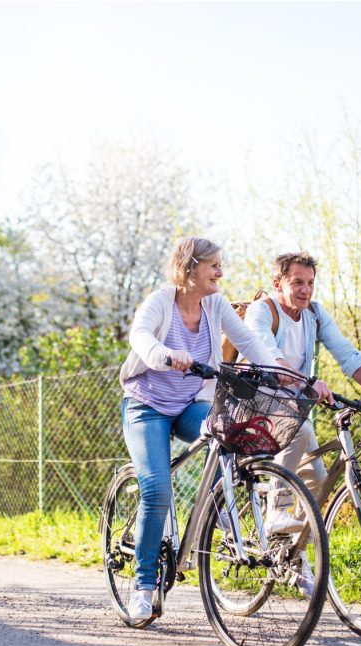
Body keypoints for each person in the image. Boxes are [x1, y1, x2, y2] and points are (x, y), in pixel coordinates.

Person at [119, 236, 281, 622]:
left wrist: (277, 372)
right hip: (147, 406)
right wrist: (162, 354)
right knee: (157, 490)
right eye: (214, 265)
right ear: (189, 268)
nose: (221, 273)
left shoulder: (215, 304)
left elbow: (246, 339)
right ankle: (144, 587)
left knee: (229, 439)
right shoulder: (162, 300)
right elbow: (140, 335)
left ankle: (221, 510)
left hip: (191, 404)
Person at [244, 251, 361, 596]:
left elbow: (346, 354)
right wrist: (302, 383)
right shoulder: (264, 310)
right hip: (254, 402)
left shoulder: (314, 315)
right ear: (278, 284)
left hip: (293, 406)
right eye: (297, 282)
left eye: (311, 283)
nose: (306, 290)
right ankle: (276, 511)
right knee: (300, 430)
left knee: (319, 483)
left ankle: (293, 556)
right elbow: (267, 354)